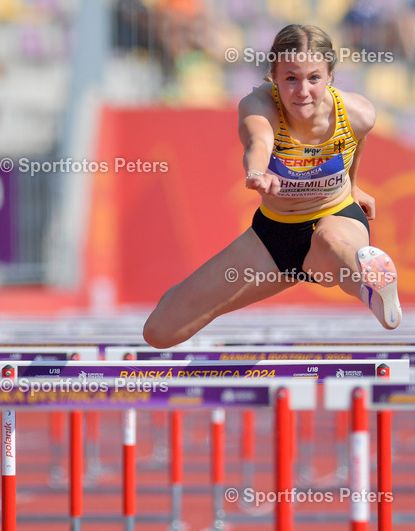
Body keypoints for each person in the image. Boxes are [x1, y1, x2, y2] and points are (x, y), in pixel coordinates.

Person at [143, 24, 401, 349]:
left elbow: (356, 141)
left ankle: (372, 286)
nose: (302, 91)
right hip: (273, 237)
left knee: (329, 241)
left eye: (314, 78)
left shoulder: (358, 114)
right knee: (160, 331)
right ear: (274, 77)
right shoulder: (259, 105)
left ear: (331, 76)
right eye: (291, 78)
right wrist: (255, 171)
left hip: (335, 216)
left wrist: (354, 185)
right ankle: (179, 298)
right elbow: (258, 140)